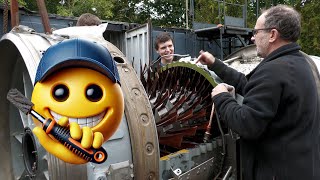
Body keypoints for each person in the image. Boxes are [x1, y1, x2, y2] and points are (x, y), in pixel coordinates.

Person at [196, 5, 320, 180]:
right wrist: (215, 64)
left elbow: (246, 125)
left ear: (272, 35)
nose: (253, 38)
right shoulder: (297, 63)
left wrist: (221, 97)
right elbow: (251, 87)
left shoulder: (273, 71)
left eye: (256, 32)